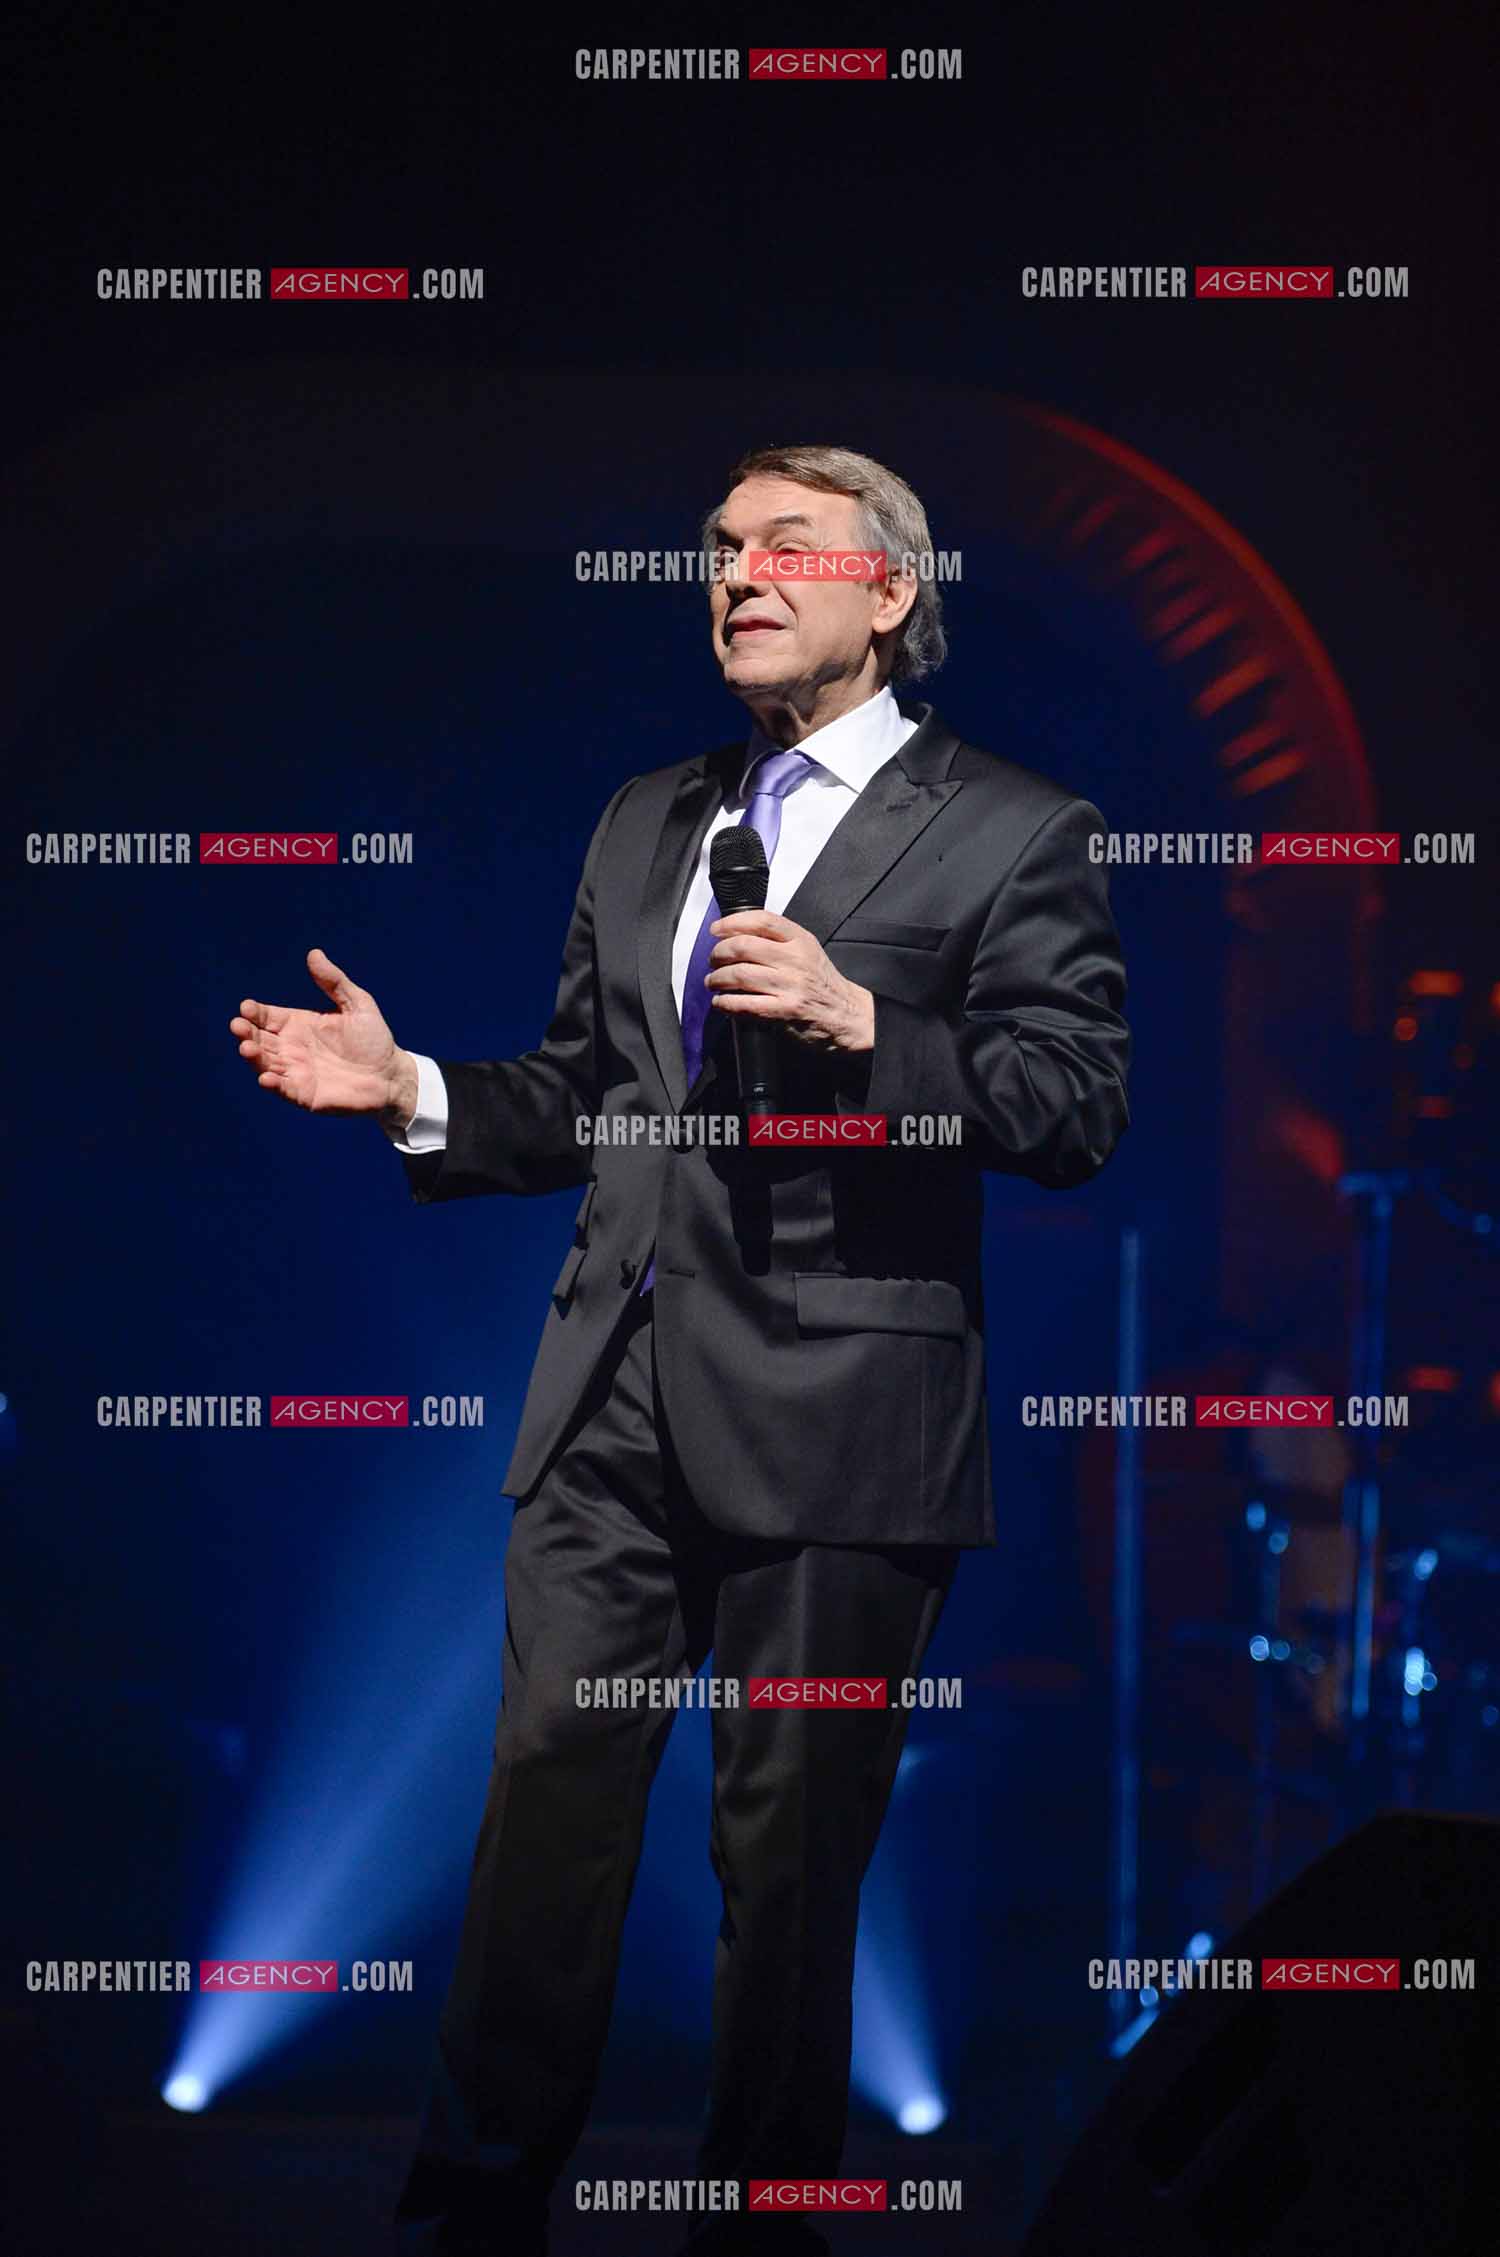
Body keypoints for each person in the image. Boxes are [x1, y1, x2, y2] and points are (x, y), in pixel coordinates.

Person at [229, 444, 1131, 2254]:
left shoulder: (1018, 826)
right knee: (547, 1795)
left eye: (784, 546)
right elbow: (588, 1095)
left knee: (786, 1861)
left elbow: (1073, 1103)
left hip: (847, 1409)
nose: (734, 574)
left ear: (890, 589)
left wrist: (871, 1019)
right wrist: (408, 1088)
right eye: (718, 549)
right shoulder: (649, 815)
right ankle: (479, 2206)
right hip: (613, 1388)